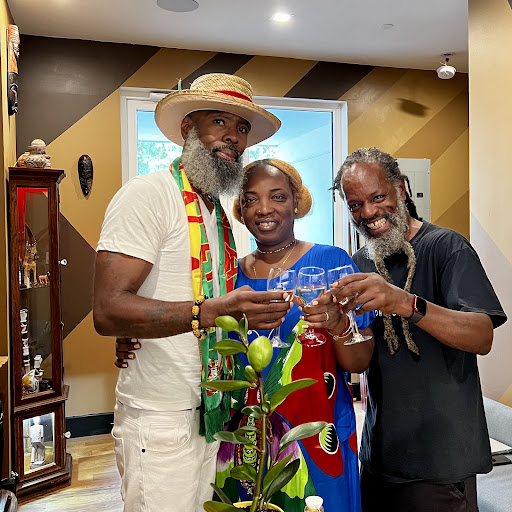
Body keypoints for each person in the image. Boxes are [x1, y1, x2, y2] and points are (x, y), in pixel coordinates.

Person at [116, 159, 375, 512]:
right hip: (244, 440)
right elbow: (192, 324)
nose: (264, 209)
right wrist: (136, 338)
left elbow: (359, 361)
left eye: (278, 196)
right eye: (251, 199)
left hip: (318, 436)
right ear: (240, 209)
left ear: (296, 202)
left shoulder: (332, 263)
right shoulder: (228, 277)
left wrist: (338, 325)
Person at [93, 73, 288, 512]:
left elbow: (161, 295)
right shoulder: (148, 195)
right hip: (161, 414)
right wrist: (207, 311)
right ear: (187, 128)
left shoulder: (219, 215)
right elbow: (107, 310)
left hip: (212, 408)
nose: (233, 137)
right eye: (219, 121)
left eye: (242, 128)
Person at [332, 147, 507, 512]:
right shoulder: (362, 262)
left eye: (378, 197)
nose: (368, 213)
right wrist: (337, 323)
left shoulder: (447, 247)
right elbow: (362, 356)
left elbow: (481, 336)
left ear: (402, 189)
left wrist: (405, 303)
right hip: (380, 456)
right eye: (355, 205)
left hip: (441, 461)